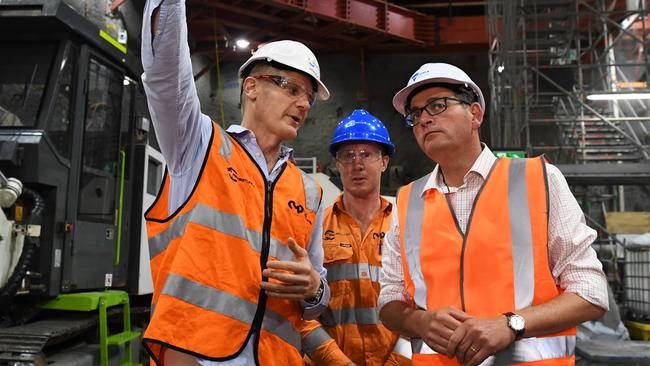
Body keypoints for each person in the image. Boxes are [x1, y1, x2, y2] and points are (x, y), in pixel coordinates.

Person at [378, 63, 609, 366]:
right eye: (416, 114)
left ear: (475, 114)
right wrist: (417, 322)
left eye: (437, 105)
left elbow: (591, 293)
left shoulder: (539, 180)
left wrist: (511, 324)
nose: (424, 120)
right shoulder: (408, 201)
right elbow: (389, 299)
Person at [140, 1, 331, 365]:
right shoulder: (198, 147)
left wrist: (315, 289)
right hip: (197, 356)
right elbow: (166, 77)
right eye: (292, 88)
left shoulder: (310, 192)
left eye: (308, 96)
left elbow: (316, 299)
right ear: (252, 87)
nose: (304, 103)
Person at [301, 109, 411, 366]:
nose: (357, 164)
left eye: (367, 154)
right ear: (337, 165)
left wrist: (397, 362)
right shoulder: (315, 227)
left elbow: (423, 302)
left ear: (384, 162)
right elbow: (300, 310)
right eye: (348, 156)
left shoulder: (405, 226)